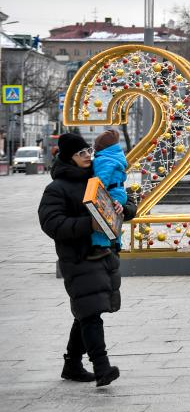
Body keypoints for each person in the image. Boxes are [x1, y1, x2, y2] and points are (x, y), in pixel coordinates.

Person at [38, 133, 137, 387]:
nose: (87, 156)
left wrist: (122, 208)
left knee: (86, 311)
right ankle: (102, 368)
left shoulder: (99, 176)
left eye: (88, 151)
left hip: (104, 253)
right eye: (80, 153)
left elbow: (128, 202)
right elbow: (51, 223)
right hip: (79, 257)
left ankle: (72, 364)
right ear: (69, 157)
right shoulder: (57, 188)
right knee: (90, 313)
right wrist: (87, 224)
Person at [89, 130, 127, 260]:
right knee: (115, 219)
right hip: (119, 193)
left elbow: (101, 181)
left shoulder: (104, 160)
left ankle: (100, 246)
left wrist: (96, 194)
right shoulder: (116, 156)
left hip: (110, 193)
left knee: (100, 219)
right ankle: (117, 243)